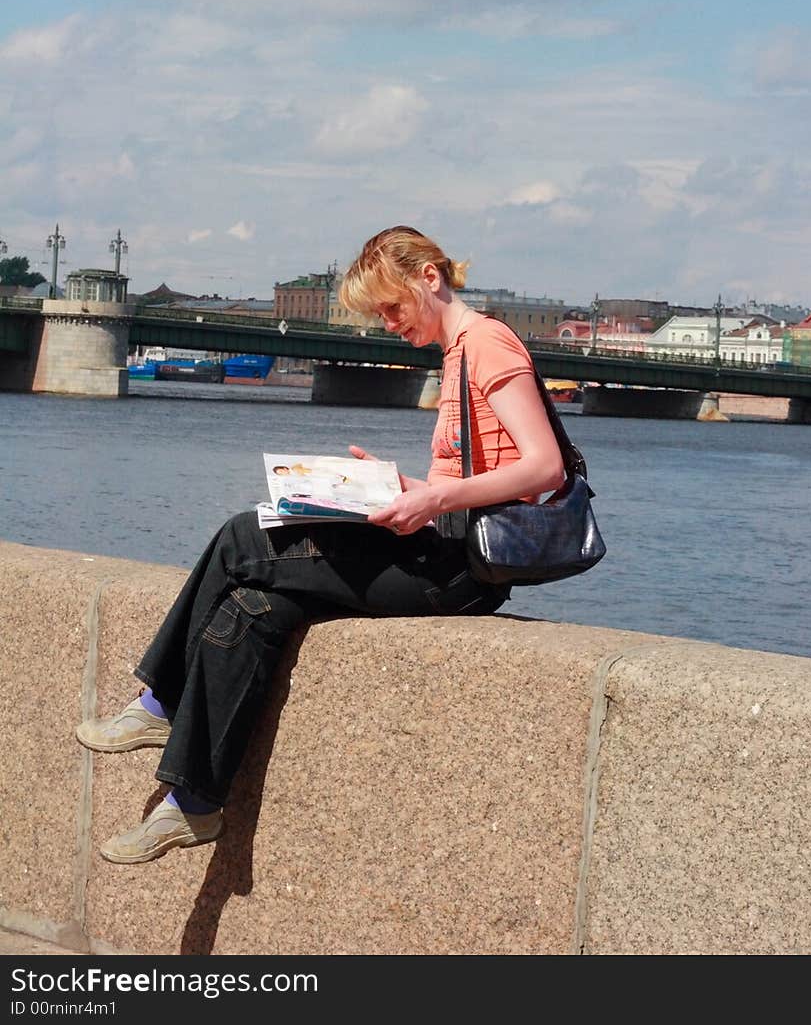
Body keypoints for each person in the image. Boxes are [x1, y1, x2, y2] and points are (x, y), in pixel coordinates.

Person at [76, 225, 565, 864]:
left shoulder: (489, 343)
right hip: (438, 543)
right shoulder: (457, 352)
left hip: (461, 570)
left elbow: (544, 469)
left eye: (392, 307)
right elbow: (470, 477)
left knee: (243, 537)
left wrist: (432, 499)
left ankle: (161, 700)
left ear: (430, 278)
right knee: (253, 603)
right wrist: (398, 487)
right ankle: (192, 805)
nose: (388, 324)